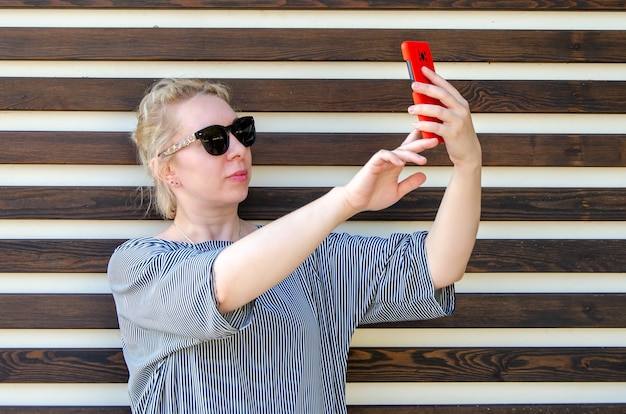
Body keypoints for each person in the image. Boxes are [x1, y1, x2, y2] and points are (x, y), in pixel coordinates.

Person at [107, 67, 482, 413]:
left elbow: (439, 266)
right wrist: (347, 200)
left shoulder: (313, 254)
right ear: (167, 169)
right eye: (214, 140)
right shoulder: (140, 266)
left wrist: (468, 163)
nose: (238, 149)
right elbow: (219, 286)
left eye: (242, 132)